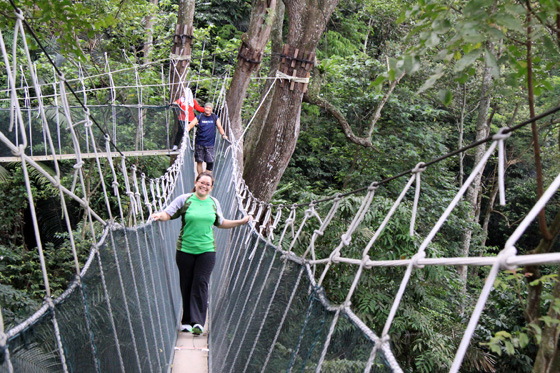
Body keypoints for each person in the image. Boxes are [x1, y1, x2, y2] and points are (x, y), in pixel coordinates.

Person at [151, 172, 251, 335]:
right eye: (201, 182)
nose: (204, 186)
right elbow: (167, 214)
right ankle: (186, 321)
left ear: (211, 188)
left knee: (201, 282)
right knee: (187, 283)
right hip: (185, 249)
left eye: (207, 184)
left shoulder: (213, 202)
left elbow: (220, 222)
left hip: (207, 250)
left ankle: (198, 323)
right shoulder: (184, 199)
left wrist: (240, 222)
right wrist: (158, 215)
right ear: (196, 182)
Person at [187, 102, 227, 175]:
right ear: (204, 108)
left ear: (211, 109)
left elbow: (219, 127)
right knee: (199, 161)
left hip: (210, 144)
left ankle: (207, 178)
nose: (207, 109)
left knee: (210, 162)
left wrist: (223, 134)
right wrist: (186, 131)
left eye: (209, 108)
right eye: (206, 107)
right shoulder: (200, 116)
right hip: (199, 143)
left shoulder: (215, 117)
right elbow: (191, 124)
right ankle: (200, 177)